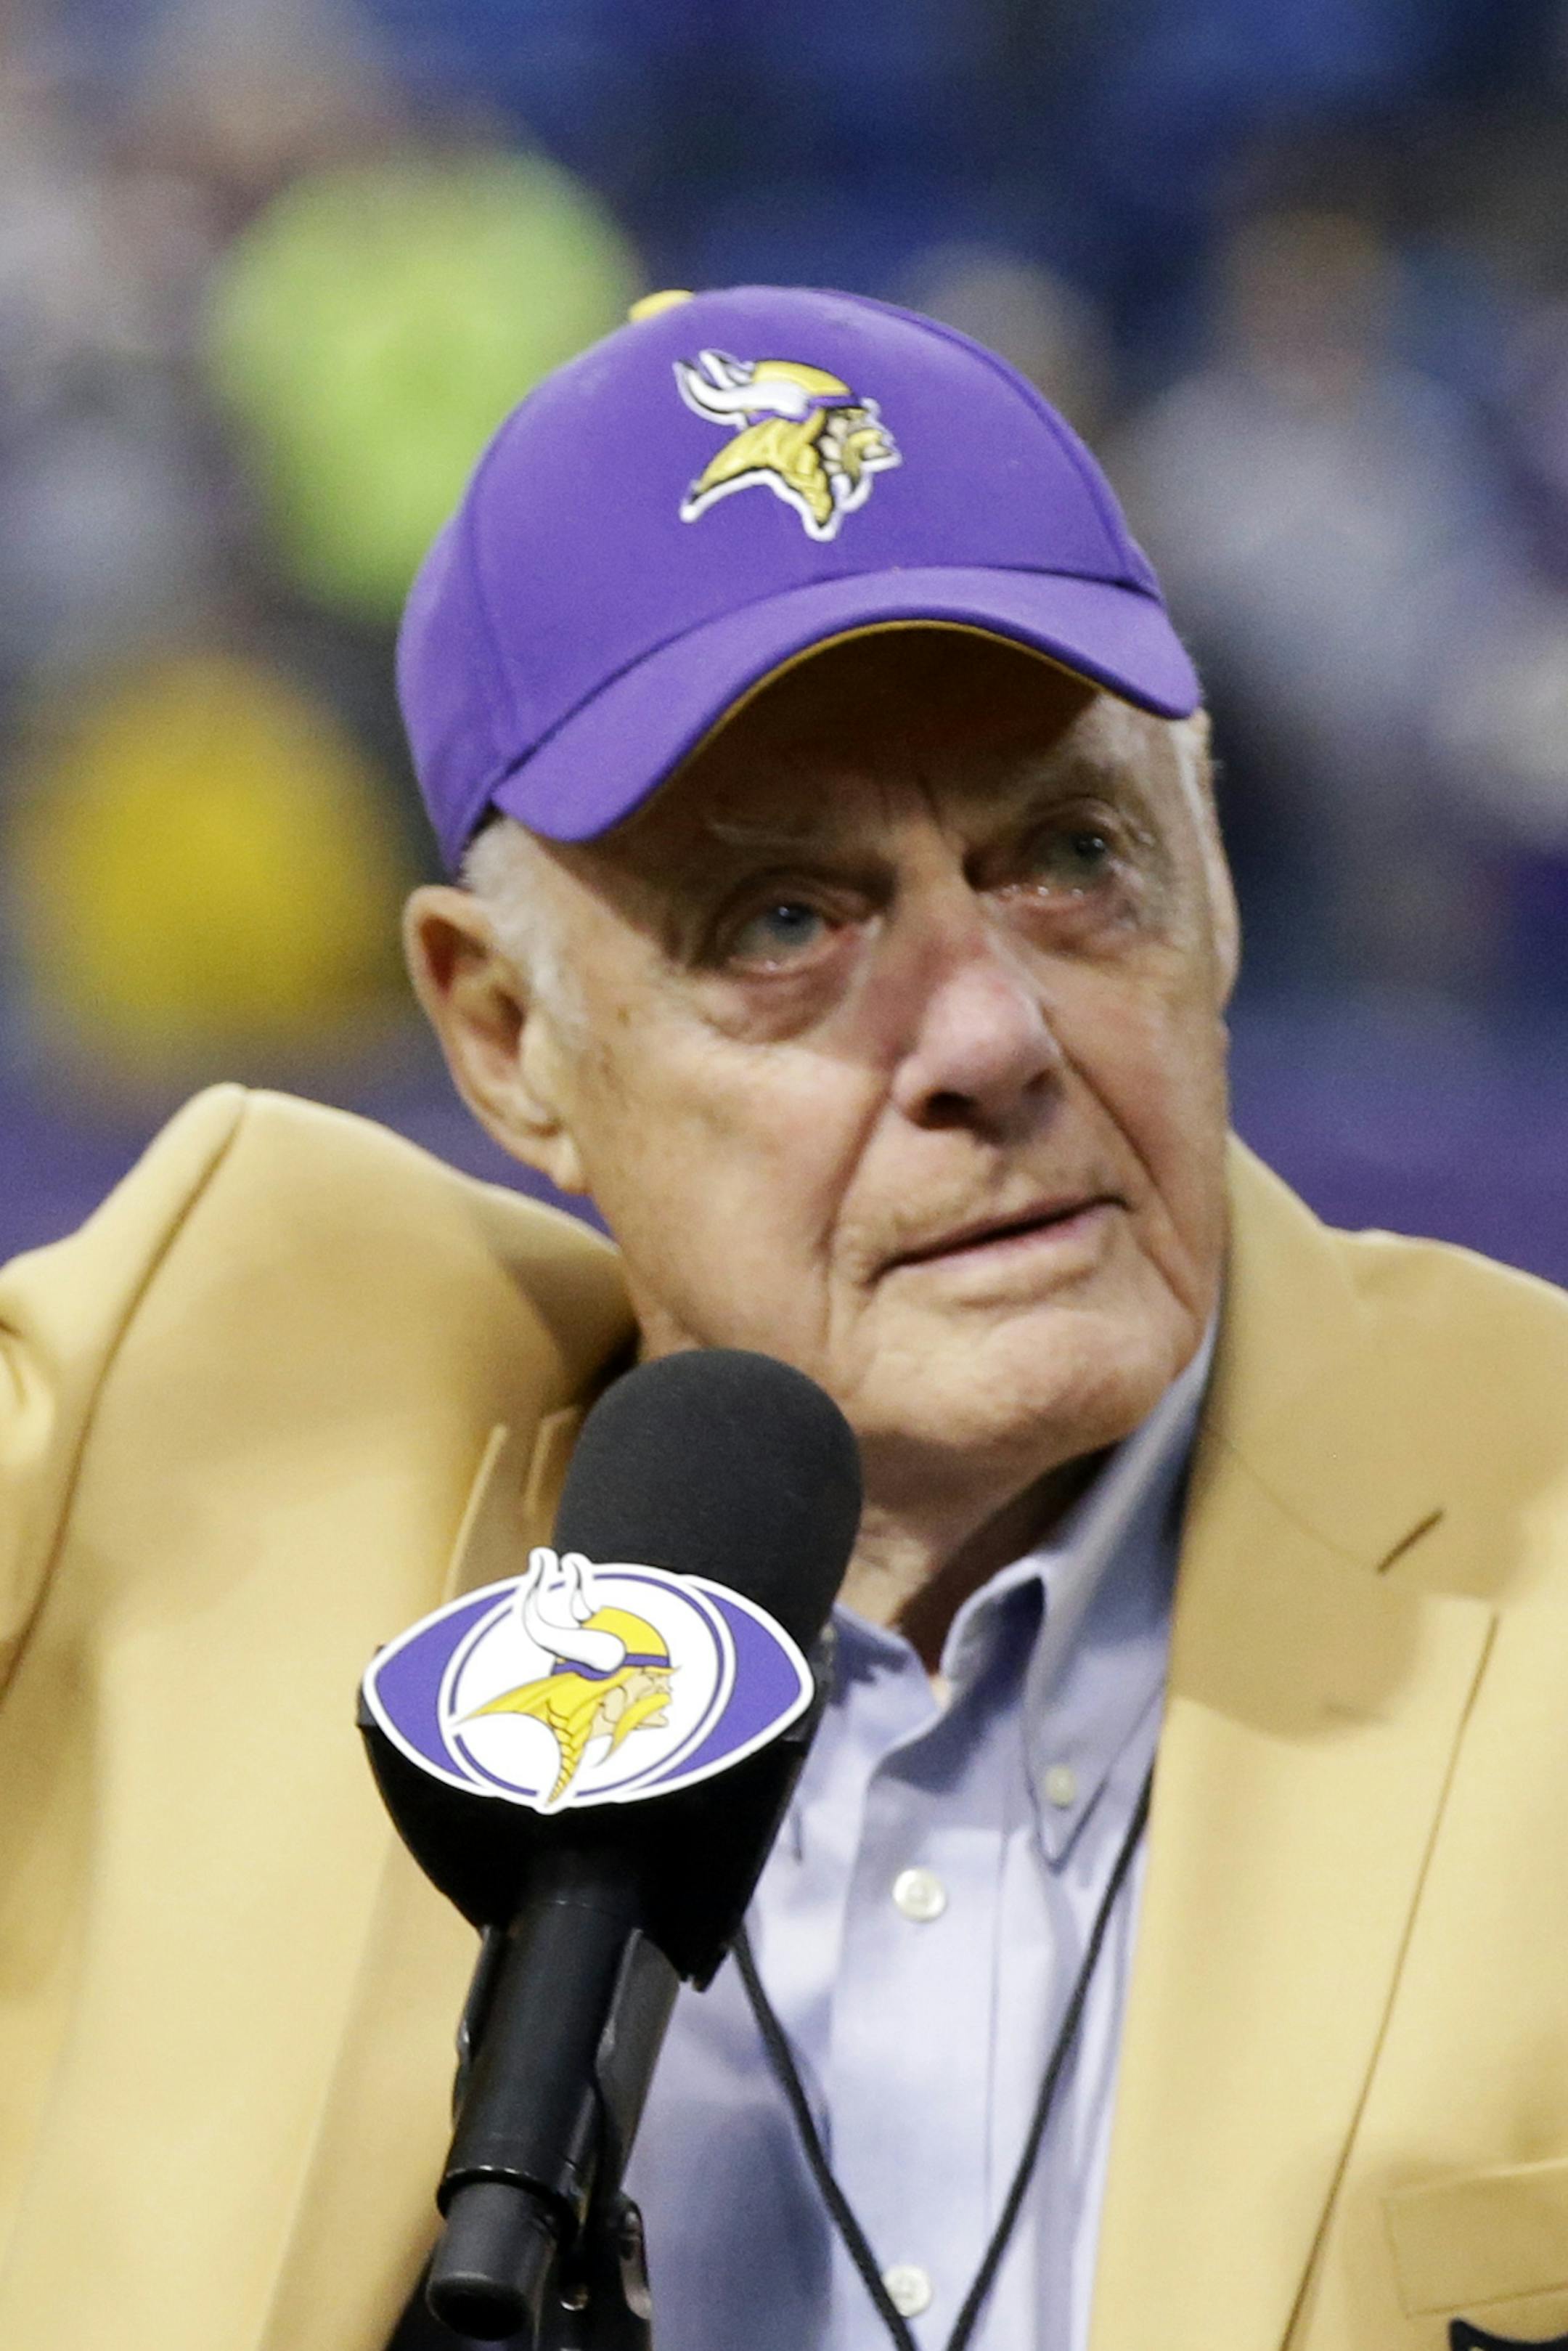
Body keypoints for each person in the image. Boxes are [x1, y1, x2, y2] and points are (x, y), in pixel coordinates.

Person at [1, 285, 1567, 2351]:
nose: (994, 1036)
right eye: (789, 920)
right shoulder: (197, 1466)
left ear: (1219, 888)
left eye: (1073, 855)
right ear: (504, 1039)